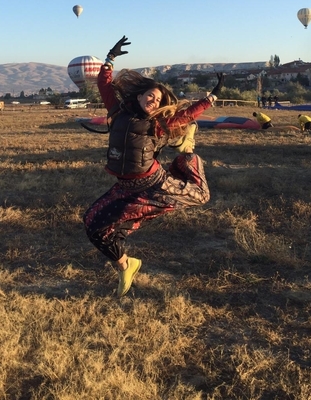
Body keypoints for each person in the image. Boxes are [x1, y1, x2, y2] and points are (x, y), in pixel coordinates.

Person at [83, 36, 224, 297]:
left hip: (154, 183)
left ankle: (187, 156)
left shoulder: (158, 125)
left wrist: (212, 97)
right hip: (125, 186)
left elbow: (187, 114)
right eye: (151, 96)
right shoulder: (117, 111)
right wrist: (109, 59)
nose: (153, 101)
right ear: (140, 95)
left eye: (158, 100)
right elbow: (104, 85)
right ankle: (126, 265)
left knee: (201, 195)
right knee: (93, 225)